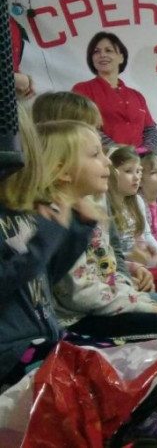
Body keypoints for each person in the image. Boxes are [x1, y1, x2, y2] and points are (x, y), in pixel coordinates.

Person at [38, 120, 157, 446]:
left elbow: (109, 269)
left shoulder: (91, 209)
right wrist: (141, 304)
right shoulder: (57, 218)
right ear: (62, 170)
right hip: (77, 320)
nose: (108, 162)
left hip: (103, 306)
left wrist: (138, 299)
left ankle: (151, 416)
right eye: (96, 155)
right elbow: (80, 294)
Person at [0, 112, 97, 387]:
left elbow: (48, 275)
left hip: (45, 335)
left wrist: (78, 230)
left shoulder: (24, 210)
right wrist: (45, 237)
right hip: (10, 351)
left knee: (114, 367)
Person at [108, 146, 157, 302]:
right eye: (128, 171)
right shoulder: (107, 204)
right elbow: (116, 253)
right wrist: (150, 261)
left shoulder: (136, 201)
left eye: (138, 172)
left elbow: (144, 237)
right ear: (112, 173)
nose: (136, 177)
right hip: (123, 264)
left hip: (139, 261)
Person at [72, 31, 157, 152]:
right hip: (104, 158)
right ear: (91, 58)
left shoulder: (137, 96)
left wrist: (145, 152)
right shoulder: (82, 90)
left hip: (139, 161)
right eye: (96, 52)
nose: (102, 55)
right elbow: (85, 127)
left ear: (121, 58)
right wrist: (119, 152)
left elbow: (150, 130)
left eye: (109, 50)